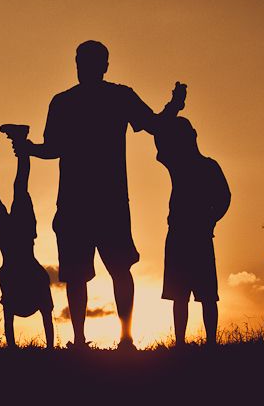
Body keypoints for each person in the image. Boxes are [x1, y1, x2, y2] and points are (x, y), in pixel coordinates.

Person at [18, 40, 155, 350]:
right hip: (93, 201)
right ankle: (102, 339)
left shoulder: (79, 100)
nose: (83, 67)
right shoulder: (108, 98)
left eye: (87, 61)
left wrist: (30, 149)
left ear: (103, 65)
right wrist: (30, 149)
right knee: (90, 273)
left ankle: (116, 338)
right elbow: (154, 124)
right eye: (80, 61)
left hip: (87, 201)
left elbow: (51, 148)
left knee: (103, 271)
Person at [152, 83, 231, 346]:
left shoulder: (200, 165)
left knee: (204, 295)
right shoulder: (185, 163)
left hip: (193, 234)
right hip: (185, 234)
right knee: (182, 295)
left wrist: (210, 219)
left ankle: (204, 343)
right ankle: (187, 344)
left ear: (193, 135)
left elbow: (224, 198)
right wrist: (174, 105)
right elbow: (160, 130)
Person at [0, 125, 55, 349]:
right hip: (19, 239)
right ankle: (2, 143)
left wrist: (46, 348)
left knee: (2, 191)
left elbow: (15, 321)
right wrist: (49, 348)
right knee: (12, 189)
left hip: (13, 239)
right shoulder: (34, 279)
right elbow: (44, 319)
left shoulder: (18, 278)